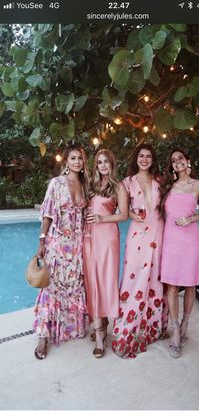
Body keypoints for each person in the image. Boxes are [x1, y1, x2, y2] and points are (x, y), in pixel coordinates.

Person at [112, 144, 168, 359]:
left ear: (153, 160)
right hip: (138, 236)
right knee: (133, 280)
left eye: (149, 156)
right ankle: (128, 329)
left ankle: (152, 328)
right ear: (136, 159)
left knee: (155, 280)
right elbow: (123, 212)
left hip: (159, 234)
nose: (145, 159)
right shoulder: (126, 183)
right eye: (141, 156)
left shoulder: (160, 181)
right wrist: (133, 215)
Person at [33, 143, 90, 359]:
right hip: (57, 244)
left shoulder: (85, 185)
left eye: (80, 158)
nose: (77, 162)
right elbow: (47, 214)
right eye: (73, 158)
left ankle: (68, 327)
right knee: (51, 288)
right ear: (66, 161)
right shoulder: (56, 184)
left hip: (76, 246)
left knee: (74, 287)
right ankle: (43, 337)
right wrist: (42, 240)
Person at [159, 149, 199, 358]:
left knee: (189, 285)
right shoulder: (168, 187)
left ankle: (186, 322)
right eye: (173, 160)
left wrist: (190, 219)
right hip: (170, 241)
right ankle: (175, 328)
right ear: (171, 166)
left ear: (188, 161)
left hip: (189, 240)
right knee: (171, 285)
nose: (177, 162)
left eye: (180, 158)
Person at [83, 149, 128, 358]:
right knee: (92, 282)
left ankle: (100, 335)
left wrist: (102, 219)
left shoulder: (118, 186)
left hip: (108, 237)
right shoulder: (91, 186)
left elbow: (124, 215)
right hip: (89, 238)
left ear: (112, 164)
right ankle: (100, 322)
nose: (102, 166)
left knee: (105, 281)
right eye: (99, 162)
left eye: (106, 162)